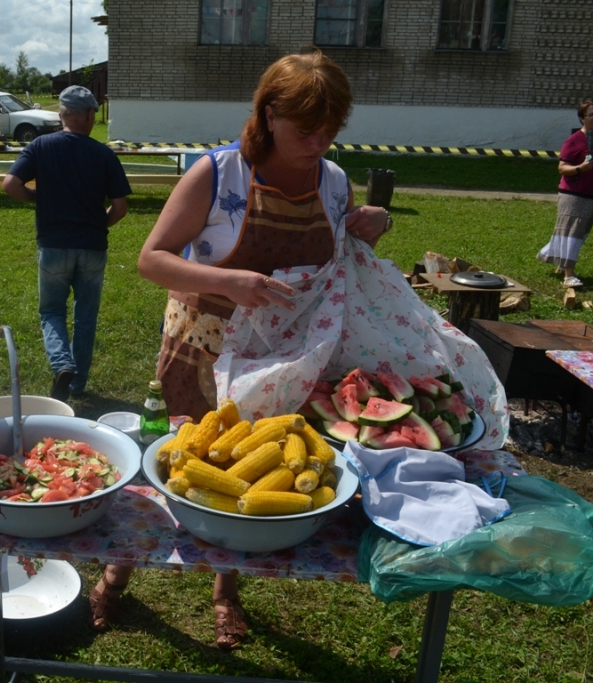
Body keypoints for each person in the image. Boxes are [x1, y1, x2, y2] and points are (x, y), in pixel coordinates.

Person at [89, 52, 404, 650]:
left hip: (277, 359)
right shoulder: (219, 172)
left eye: (330, 132)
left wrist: (372, 220)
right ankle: (116, 573)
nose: (318, 143)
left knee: (248, 477)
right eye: (304, 131)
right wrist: (228, 282)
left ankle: (226, 593)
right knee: (175, 465)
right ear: (268, 114)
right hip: (202, 348)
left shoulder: (333, 181)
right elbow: (151, 258)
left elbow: (338, 256)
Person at [2, 85, 131, 401]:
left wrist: (38, 199)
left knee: (51, 312)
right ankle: (77, 384)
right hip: (92, 246)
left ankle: (62, 364)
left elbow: (10, 184)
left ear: (61, 115)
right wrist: (97, 222)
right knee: (86, 316)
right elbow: (121, 207)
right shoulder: (103, 154)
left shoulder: (41, 146)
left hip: (54, 245)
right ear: (89, 116)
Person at [537, 99, 593, 288]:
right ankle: (569, 276)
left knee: (581, 233)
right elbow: (562, 167)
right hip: (574, 195)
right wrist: (581, 168)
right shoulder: (575, 140)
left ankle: (559, 262)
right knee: (572, 234)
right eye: (591, 115)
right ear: (582, 118)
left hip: (591, 193)